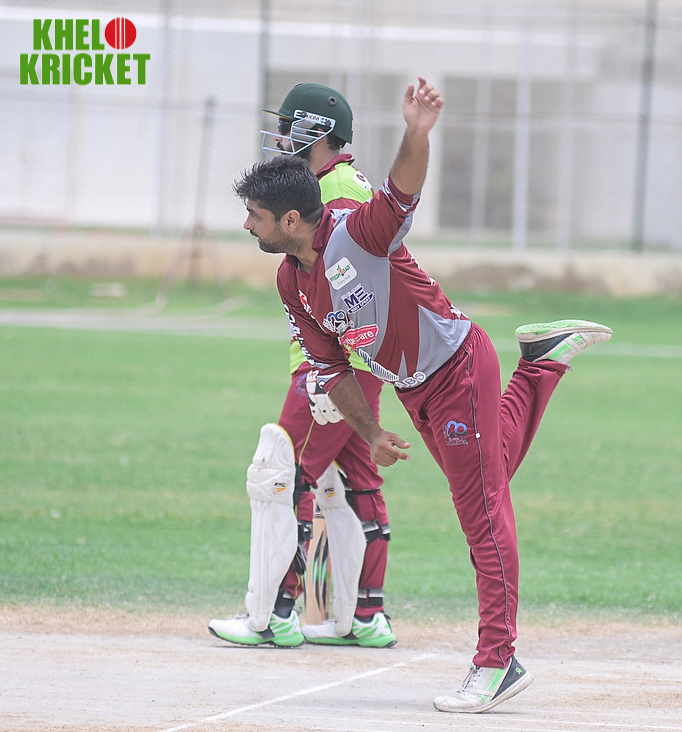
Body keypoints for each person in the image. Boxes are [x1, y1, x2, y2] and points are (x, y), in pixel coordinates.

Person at [233, 77, 612, 714]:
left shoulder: (356, 231)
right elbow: (332, 367)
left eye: (255, 216)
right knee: (493, 475)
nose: (247, 225)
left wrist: (416, 132)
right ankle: (540, 366)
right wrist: (370, 431)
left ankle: (497, 659)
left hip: (458, 368)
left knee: (483, 511)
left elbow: (401, 189)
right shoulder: (290, 281)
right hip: (416, 389)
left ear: (291, 220)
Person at [208, 84, 396, 649]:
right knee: (357, 483)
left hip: (335, 366)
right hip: (349, 362)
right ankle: (365, 617)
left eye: (290, 126)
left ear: (317, 131)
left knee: (284, 477)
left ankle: (276, 612)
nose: (283, 136)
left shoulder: (335, 189)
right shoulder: (335, 183)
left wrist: (339, 365)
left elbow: (359, 280)